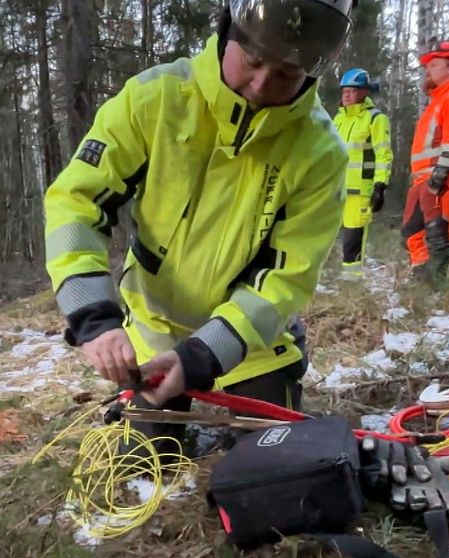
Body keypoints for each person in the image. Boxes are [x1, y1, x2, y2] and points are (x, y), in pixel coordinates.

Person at [43, 0, 354, 455]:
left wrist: (201, 357)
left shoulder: (321, 152)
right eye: (251, 61)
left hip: (251, 345)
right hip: (153, 327)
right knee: (141, 461)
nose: (261, 84)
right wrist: (93, 318)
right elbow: (77, 203)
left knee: (271, 468)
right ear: (228, 31)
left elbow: (285, 280)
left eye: (286, 74)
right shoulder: (155, 98)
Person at [402, 40, 449, 284]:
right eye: (428, 65)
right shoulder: (438, 101)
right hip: (424, 178)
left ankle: (435, 283)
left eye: (434, 64)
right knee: (412, 232)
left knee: (436, 232)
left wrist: (438, 179)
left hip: (442, 178)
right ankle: (421, 277)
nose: (428, 70)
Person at [334, 68, 393, 278]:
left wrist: (380, 186)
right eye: (344, 91)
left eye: (353, 90)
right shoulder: (338, 119)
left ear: (364, 92)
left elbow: (383, 154)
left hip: (360, 192)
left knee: (352, 239)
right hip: (333, 190)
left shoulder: (375, 119)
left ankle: (351, 284)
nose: (347, 95)